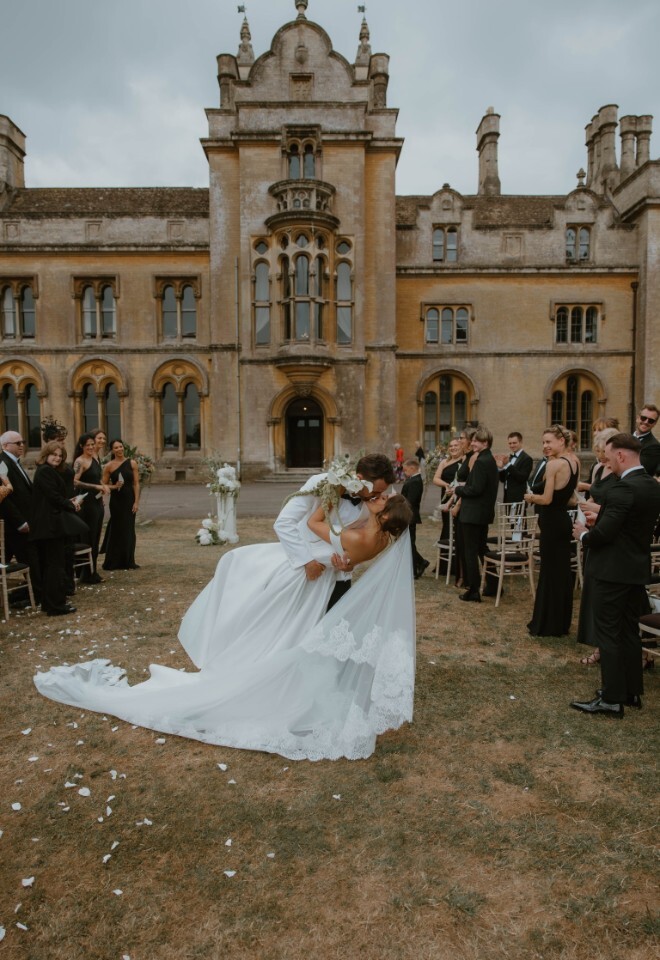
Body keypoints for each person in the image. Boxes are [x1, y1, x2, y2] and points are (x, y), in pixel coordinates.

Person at [34, 492, 416, 761]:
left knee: (285, 636)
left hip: (316, 581)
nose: (376, 500)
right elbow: (352, 550)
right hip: (327, 580)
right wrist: (362, 511)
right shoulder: (381, 539)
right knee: (300, 639)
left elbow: (316, 523)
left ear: (384, 517)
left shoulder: (357, 535)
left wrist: (326, 498)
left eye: (382, 502)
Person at [571, 433, 660, 716]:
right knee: (629, 632)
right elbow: (628, 525)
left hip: (612, 571)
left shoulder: (624, 488)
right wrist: (605, 518)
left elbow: (605, 534)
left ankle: (611, 699)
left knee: (608, 633)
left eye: (609, 458)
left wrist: (584, 534)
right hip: (634, 568)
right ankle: (631, 692)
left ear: (621, 456)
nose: (608, 463)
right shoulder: (650, 485)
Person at [274, 453, 395, 611]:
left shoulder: (374, 505)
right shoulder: (322, 483)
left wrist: (350, 566)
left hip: (340, 579)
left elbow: (361, 543)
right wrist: (307, 562)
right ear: (359, 478)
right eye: (375, 492)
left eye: (381, 493)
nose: (378, 497)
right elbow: (283, 523)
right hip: (306, 572)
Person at [524, 425, 579, 636]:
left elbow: (545, 499)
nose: (545, 446)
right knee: (562, 573)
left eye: (549, 442)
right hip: (563, 521)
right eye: (543, 442)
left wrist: (530, 497)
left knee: (549, 572)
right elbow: (572, 498)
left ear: (561, 441)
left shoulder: (554, 464)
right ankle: (561, 622)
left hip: (552, 522)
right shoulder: (573, 461)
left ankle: (547, 624)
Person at [576, 428, 620, 664]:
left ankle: (607, 649)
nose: (601, 455)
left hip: (608, 531)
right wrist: (585, 506)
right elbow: (595, 494)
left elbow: (620, 509)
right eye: (599, 450)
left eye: (605, 451)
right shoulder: (598, 468)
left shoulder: (619, 473)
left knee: (606, 593)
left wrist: (595, 510)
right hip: (591, 529)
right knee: (593, 587)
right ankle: (598, 645)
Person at [29, 441, 82, 616]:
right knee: (54, 565)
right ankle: (55, 605)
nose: (57, 458)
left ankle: (50, 603)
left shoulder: (48, 471)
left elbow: (56, 496)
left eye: (60, 456)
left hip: (50, 525)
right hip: (49, 526)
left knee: (52, 565)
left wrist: (70, 503)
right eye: (54, 454)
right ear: (46, 454)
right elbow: (54, 496)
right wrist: (71, 505)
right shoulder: (44, 471)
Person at [453, 425, 499, 602]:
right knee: (481, 549)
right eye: (472, 440)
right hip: (482, 513)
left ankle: (473, 590)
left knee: (470, 552)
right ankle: (494, 585)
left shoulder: (481, 461)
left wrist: (458, 489)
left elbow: (475, 489)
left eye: (475, 441)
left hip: (473, 514)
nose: (472, 443)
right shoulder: (489, 460)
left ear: (485, 443)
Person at [0, 430, 41, 605]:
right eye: (18, 443)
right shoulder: (2, 463)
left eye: (23, 442)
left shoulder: (15, 462)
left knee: (27, 557)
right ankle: (36, 595)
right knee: (29, 558)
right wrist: (20, 522)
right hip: (14, 523)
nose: (22, 445)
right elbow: (4, 499)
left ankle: (29, 594)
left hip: (25, 519)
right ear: (5, 446)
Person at [73, 433, 110, 583]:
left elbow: (97, 477)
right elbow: (74, 482)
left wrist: (103, 486)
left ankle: (92, 571)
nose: (90, 447)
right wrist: (96, 486)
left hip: (97, 503)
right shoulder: (80, 461)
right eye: (87, 445)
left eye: (92, 444)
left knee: (95, 537)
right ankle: (86, 574)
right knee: (88, 537)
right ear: (81, 446)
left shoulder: (94, 458)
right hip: (86, 504)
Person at [101, 439, 140, 570]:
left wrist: (136, 502)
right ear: (112, 450)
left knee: (129, 529)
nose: (119, 449)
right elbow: (103, 485)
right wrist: (114, 486)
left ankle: (129, 560)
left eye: (121, 446)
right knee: (117, 528)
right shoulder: (109, 466)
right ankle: (114, 561)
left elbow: (136, 483)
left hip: (129, 499)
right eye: (116, 447)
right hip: (117, 501)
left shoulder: (132, 463)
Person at [401, 458, 428, 578]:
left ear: (412, 468)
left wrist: (399, 501)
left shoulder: (415, 481)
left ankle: (415, 568)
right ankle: (421, 562)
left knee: (410, 543)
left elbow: (411, 501)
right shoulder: (413, 480)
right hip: (407, 514)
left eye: (405, 470)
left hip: (410, 515)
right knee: (408, 542)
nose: (404, 473)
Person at [496, 432, 533, 504]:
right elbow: (503, 480)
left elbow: (522, 478)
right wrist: (500, 468)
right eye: (510, 443)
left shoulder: (527, 459)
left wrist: (508, 464)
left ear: (521, 442)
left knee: (518, 516)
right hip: (507, 496)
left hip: (518, 498)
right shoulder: (509, 458)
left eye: (514, 443)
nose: (512, 445)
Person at [633, 403, 660, 477]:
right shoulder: (626, 438)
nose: (646, 422)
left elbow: (641, 471)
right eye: (643, 418)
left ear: (654, 424)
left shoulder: (654, 446)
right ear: (637, 418)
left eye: (651, 420)